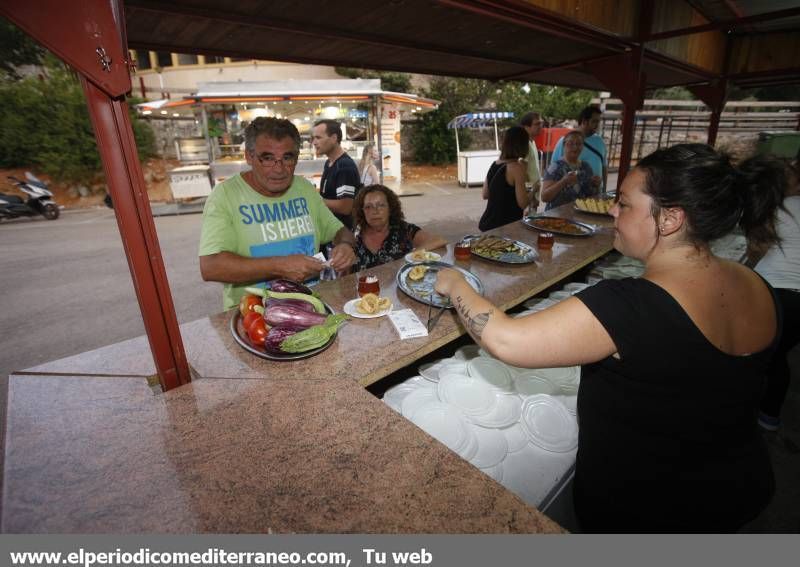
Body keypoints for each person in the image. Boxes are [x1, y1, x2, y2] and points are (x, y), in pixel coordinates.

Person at [435, 143, 787, 532]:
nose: (614, 212)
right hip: (736, 490)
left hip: (647, 512)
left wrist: (455, 283)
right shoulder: (757, 283)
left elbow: (506, 340)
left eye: (624, 203)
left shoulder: (632, 306)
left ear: (669, 219)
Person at [199, 117, 356, 310]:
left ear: (297, 158)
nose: (279, 169)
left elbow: (341, 231)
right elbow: (210, 266)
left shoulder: (304, 189)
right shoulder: (225, 196)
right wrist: (279, 266)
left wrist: (346, 246)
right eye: (267, 158)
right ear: (249, 156)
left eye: (287, 158)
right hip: (253, 316)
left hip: (309, 307)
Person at [752, 154, 800, 432]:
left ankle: (741, 414)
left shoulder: (781, 209)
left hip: (777, 293)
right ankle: (769, 416)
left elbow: (758, 249)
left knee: (760, 355)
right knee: (778, 355)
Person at [352, 184, 446, 271]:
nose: (375, 211)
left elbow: (438, 240)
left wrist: (410, 256)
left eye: (381, 205)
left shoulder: (403, 230)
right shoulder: (355, 236)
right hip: (364, 288)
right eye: (368, 207)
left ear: (390, 209)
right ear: (362, 211)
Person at [478, 126, 532, 232]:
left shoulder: (495, 164)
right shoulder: (517, 167)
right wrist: (534, 190)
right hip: (507, 226)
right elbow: (523, 203)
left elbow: (485, 194)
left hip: (489, 225)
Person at [313, 119, 361, 230]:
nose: (314, 142)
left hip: (341, 234)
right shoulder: (329, 163)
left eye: (318, 138)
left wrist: (314, 199)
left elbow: (345, 206)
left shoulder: (344, 166)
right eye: (313, 138)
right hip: (329, 229)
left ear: (334, 138)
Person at [551, 105, 608, 192]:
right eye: (594, 122)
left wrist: (604, 190)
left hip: (595, 195)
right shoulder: (565, 141)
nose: (597, 125)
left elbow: (604, 167)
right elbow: (553, 170)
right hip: (571, 197)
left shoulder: (600, 142)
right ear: (584, 121)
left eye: (598, 122)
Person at [541, 130, 600, 210]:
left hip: (580, 215)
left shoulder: (586, 167)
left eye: (579, 144)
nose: (575, 147)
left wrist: (595, 185)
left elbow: (591, 197)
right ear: (564, 145)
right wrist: (563, 182)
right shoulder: (555, 167)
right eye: (571, 143)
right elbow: (544, 197)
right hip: (556, 217)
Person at [519, 111, 543, 205]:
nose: (540, 126)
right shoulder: (524, 144)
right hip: (528, 198)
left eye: (541, 123)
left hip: (533, 196)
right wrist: (531, 197)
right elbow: (522, 174)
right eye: (537, 124)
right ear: (526, 127)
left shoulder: (532, 142)